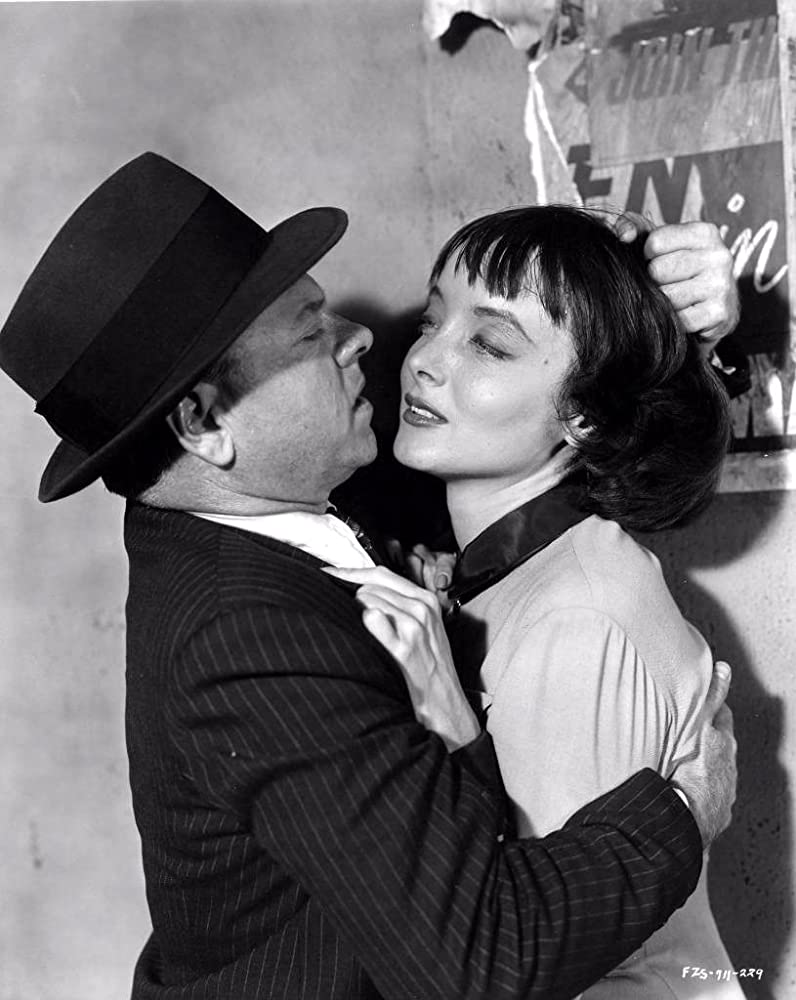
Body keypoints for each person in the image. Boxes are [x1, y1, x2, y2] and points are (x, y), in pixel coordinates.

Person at [0, 154, 737, 1000]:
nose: (370, 341)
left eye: (483, 341)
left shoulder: (253, 522)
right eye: (308, 333)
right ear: (202, 425)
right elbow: (479, 960)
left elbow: (573, 408)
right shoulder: (252, 632)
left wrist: (682, 323)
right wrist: (685, 807)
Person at [329, 205, 741, 998]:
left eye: (489, 344)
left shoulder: (578, 617)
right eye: (432, 320)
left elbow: (548, 950)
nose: (423, 360)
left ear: (583, 414)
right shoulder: (503, 571)